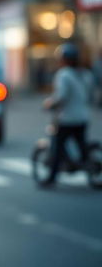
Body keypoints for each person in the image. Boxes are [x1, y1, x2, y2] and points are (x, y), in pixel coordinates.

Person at [41, 42, 95, 187]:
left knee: (57, 147)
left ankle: (51, 178)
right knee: (81, 145)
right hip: (83, 116)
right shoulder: (86, 74)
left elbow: (61, 96)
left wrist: (50, 104)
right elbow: (90, 96)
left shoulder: (64, 74)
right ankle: (86, 164)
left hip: (66, 118)